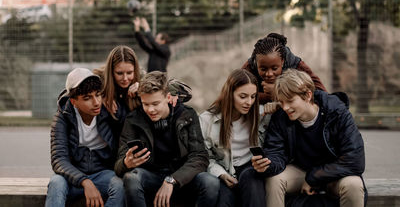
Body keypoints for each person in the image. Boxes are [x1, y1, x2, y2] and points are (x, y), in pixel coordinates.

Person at [252, 69, 366, 207]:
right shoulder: (281, 117)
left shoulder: (337, 112)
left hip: (335, 174)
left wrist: (314, 177)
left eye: (290, 101)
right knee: (275, 179)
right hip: (301, 171)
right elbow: (276, 152)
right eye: (281, 102)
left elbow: (355, 160)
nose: (285, 107)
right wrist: (267, 165)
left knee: (354, 184)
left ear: (307, 95)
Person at [114, 71, 219, 207]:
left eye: (156, 103)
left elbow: (199, 157)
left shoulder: (187, 115)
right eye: (146, 104)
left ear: (168, 97)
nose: (150, 109)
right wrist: (126, 163)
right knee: (132, 178)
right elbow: (118, 166)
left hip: (181, 177)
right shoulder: (133, 120)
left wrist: (172, 180)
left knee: (210, 182)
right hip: (151, 177)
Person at [45, 68, 124, 207]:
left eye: (98, 95)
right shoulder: (62, 117)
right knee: (56, 183)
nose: (96, 102)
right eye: (87, 98)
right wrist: (85, 182)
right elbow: (58, 159)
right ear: (74, 101)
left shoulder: (110, 111)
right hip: (72, 178)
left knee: (121, 185)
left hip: (103, 175)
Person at [199, 69, 269, 207]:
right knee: (224, 199)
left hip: (251, 167)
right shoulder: (207, 120)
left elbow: (290, 104)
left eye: (253, 96)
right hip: (225, 169)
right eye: (243, 96)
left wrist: (276, 105)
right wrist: (221, 174)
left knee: (252, 183)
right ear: (229, 94)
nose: (249, 102)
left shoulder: (262, 115)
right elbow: (205, 157)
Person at [94, 45, 191, 121]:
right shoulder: (98, 79)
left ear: (135, 70)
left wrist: (143, 87)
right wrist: (99, 95)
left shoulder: (141, 76)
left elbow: (187, 92)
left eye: (129, 73)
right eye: (119, 73)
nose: (125, 78)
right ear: (111, 71)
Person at [242, 33, 326, 107]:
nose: (269, 74)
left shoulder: (297, 66)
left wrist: (278, 91)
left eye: (274, 68)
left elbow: (322, 95)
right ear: (256, 63)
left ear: (282, 61)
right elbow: (236, 94)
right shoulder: (249, 67)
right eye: (263, 69)